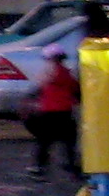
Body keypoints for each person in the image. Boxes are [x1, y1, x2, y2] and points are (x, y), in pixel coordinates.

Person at [24, 46, 81, 176]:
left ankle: (38, 166)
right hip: (63, 111)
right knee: (69, 140)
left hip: (47, 110)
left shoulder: (46, 73)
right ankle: (70, 165)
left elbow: (38, 89)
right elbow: (75, 89)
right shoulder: (64, 73)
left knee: (44, 140)